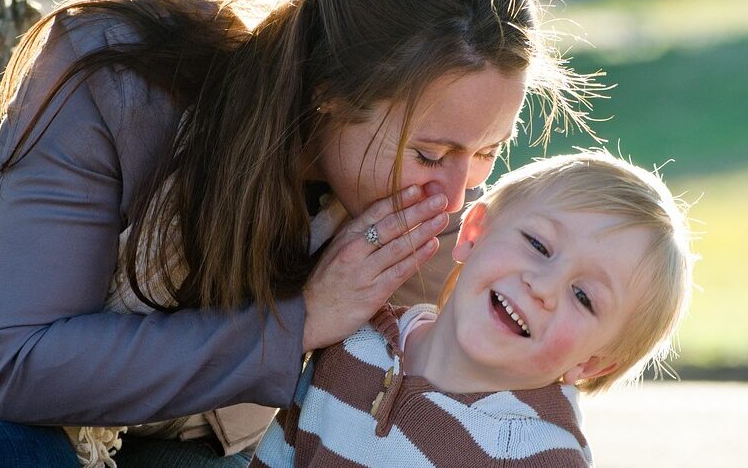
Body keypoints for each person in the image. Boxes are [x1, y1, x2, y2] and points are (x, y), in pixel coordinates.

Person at [0, 0, 597, 466]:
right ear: (329, 94)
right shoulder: (119, 73)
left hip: (175, 425)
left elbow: (450, 369)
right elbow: (19, 363)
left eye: (486, 152)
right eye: (430, 153)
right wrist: (304, 321)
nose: (454, 195)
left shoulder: (426, 204)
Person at [251, 150, 695, 467]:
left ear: (592, 363)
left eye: (584, 297)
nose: (542, 286)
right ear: (474, 233)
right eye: (538, 244)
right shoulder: (354, 341)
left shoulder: (539, 456)